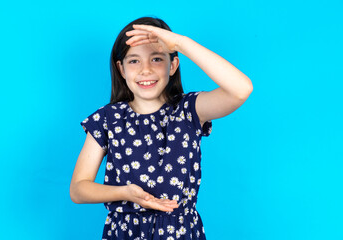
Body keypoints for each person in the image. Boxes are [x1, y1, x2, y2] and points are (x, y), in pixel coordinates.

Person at [70, 16, 253, 240]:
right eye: (134, 61)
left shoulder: (189, 110)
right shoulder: (108, 119)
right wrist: (125, 192)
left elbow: (241, 89)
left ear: (173, 64)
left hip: (180, 233)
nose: (145, 70)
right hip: (125, 233)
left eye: (156, 58)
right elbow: (78, 189)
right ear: (121, 68)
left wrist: (180, 43)